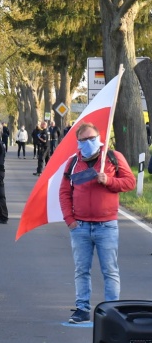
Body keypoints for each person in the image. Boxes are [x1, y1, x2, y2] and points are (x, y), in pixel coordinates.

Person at [59, 122, 135, 323]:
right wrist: (69, 219)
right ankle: (82, 308)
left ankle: (112, 311)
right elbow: (65, 192)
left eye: (92, 138)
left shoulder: (112, 157)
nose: (88, 143)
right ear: (78, 142)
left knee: (110, 270)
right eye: (83, 140)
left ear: (100, 138)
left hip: (106, 226)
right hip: (80, 227)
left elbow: (130, 182)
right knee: (81, 270)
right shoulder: (73, 162)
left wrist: (109, 180)